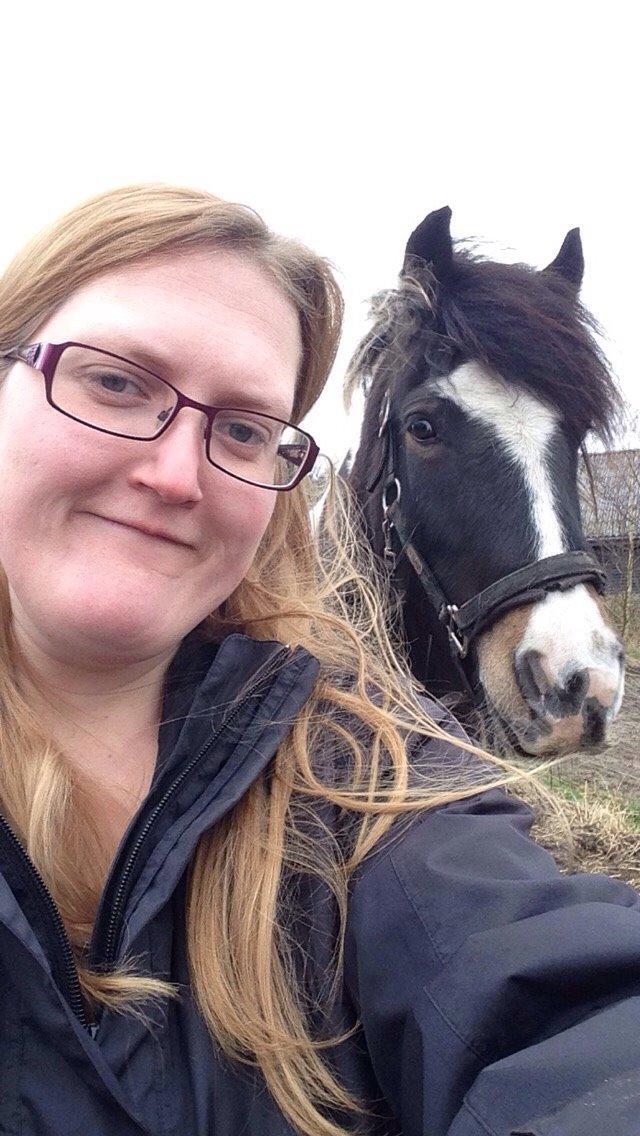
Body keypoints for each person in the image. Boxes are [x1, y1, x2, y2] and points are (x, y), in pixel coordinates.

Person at [0, 184, 637, 1136]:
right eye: (115, 381)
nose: (175, 473)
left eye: (244, 428)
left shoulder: (367, 785)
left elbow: (544, 1000)